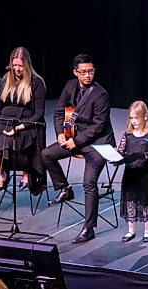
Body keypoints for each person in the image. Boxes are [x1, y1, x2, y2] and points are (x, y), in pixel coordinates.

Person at [41, 54, 115, 243]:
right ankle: (64, 187)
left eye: (91, 71)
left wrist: (76, 142)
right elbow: (59, 112)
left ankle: (88, 228)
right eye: (83, 72)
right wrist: (60, 133)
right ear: (75, 72)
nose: (88, 75)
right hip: (75, 137)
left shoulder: (101, 95)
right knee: (46, 154)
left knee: (89, 183)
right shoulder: (70, 86)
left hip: (98, 143)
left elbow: (98, 126)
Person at [0, 47, 46, 195]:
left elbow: (39, 113)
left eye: (20, 66)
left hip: (27, 122)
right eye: (14, 65)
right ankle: (3, 173)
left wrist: (19, 127)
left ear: (27, 65)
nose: (17, 69)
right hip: (4, 119)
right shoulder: (5, 80)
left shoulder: (37, 82)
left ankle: (27, 170)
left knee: (12, 141)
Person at [118, 101, 148, 243]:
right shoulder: (127, 135)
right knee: (130, 199)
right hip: (129, 174)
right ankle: (131, 229)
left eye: (136, 118)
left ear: (144, 117)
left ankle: (147, 229)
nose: (134, 121)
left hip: (144, 175)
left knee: (144, 201)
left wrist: (145, 156)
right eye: (131, 118)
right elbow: (120, 151)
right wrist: (116, 157)